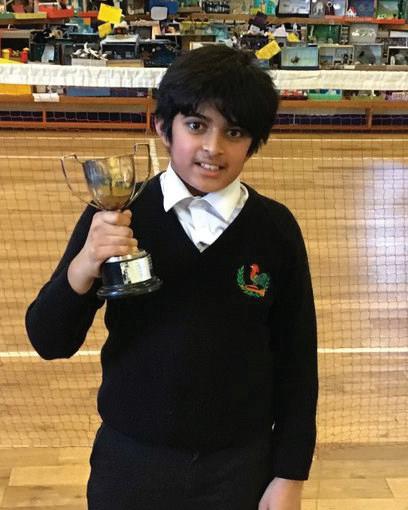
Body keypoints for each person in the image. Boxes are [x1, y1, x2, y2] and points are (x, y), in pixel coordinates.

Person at [26, 45, 318, 510]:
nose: (213, 148)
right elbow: (48, 340)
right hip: (131, 461)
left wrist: (290, 475)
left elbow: (297, 360)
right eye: (196, 125)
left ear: (254, 142)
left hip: (238, 466)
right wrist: (84, 266)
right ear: (163, 127)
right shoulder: (117, 214)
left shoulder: (275, 229)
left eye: (234, 132)